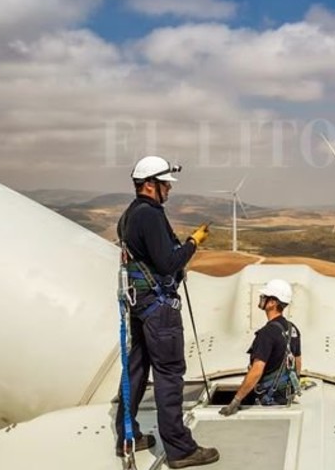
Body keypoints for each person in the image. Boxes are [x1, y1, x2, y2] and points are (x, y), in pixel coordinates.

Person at [114, 155, 219, 468]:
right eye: (164, 185)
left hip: (139, 305)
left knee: (135, 371)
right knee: (169, 374)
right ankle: (179, 448)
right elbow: (168, 263)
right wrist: (192, 243)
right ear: (150, 185)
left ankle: (126, 437)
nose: (168, 191)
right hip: (160, 309)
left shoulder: (129, 215)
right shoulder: (150, 215)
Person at [218, 279, 302, 416]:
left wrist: (235, 401)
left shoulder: (266, 334)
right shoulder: (293, 329)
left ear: (273, 302)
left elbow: (257, 371)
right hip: (284, 398)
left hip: (266, 399)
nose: (261, 298)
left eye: (264, 296)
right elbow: (297, 363)